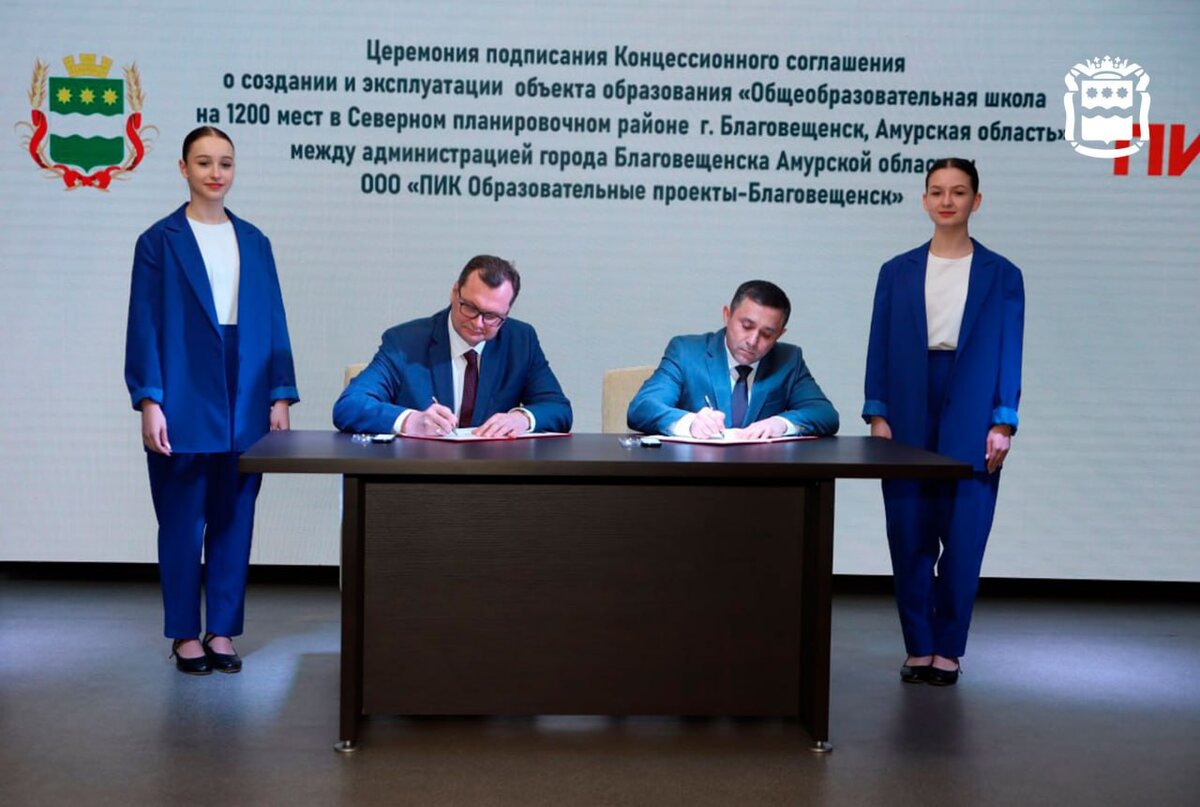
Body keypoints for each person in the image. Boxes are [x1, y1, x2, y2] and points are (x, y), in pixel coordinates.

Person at [125, 126, 299, 675]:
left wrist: (279, 394)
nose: (215, 173)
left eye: (225, 162)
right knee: (181, 521)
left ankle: (221, 630)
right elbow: (145, 326)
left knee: (235, 516)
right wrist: (150, 400)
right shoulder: (159, 241)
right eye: (203, 162)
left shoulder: (255, 241)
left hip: (246, 389)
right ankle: (184, 633)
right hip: (182, 390)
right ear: (183, 169)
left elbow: (273, 321)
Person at [863, 157, 1024, 686]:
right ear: (924, 200)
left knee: (964, 534)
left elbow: (1010, 350)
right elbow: (879, 345)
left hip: (974, 403)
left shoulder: (1003, 274)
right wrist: (878, 412)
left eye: (958, 191)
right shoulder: (896, 271)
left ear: (977, 200)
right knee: (908, 530)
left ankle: (949, 648)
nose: (947, 200)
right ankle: (919, 645)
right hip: (909, 400)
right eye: (936, 191)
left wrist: (1003, 421)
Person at [333, 255, 571, 436]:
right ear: (455, 292)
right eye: (470, 307)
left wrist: (522, 419)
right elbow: (349, 405)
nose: (478, 323)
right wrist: (410, 421)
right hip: (419, 475)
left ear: (506, 313)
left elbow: (558, 407)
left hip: (493, 477)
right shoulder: (405, 342)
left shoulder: (521, 341)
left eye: (491, 316)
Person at [627, 280, 839, 438]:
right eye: (746, 326)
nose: (753, 341)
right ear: (727, 315)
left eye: (767, 334)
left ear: (780, 335)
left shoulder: (789, 360)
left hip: (763, 477)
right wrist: (690, 423)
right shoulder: (686, 352)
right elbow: (642, 407)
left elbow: (825, 414)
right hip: (694, 474)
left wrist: (781, 423)